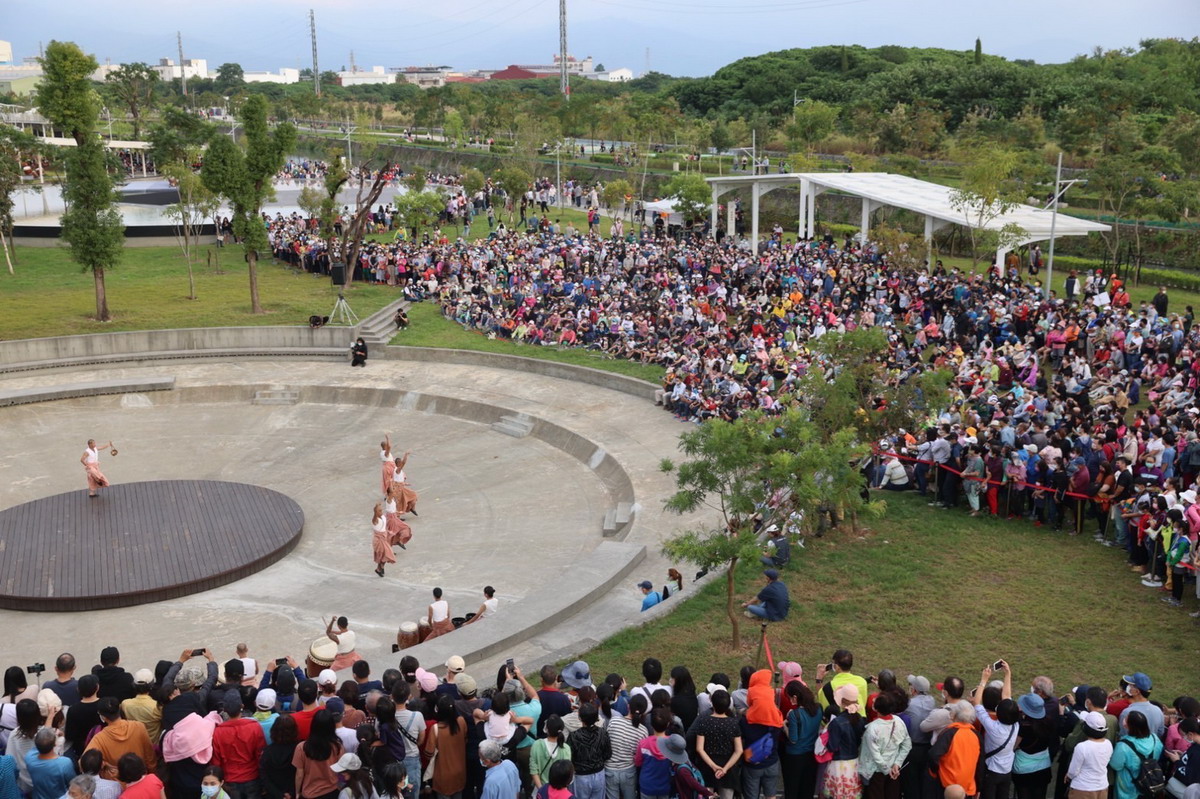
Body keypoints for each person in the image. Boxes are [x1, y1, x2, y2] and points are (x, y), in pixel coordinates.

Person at [84, 697, 157, 780]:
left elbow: (84, 762)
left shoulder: (100, 738)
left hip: (118, 783)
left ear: (103, 717)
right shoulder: (139, 726)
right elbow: (150, 755)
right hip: (140, 777)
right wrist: (152, 773)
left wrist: (104, 764)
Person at [211, 689, 266, 799]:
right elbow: (261, 756)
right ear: (242, 706)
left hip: (229, 780)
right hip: (252, 778)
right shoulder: (255, 727)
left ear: (225, 709)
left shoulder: (218, 732)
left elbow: (216, 762)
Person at [741, 670, 783, 799]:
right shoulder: (777, 718)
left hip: (752, 765)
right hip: (772, 763)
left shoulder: (745, 721)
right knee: (771, 796)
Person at [694, 689, 743, 799]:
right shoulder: (733, 723)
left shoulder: (704, 721)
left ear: (712, 702)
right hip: (728, 769)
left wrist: (713, 766)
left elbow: (699, 748)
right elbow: (738, 750)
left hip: (707, 768)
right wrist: (724, 769)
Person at [292, 709, 344, 799]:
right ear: (331, 727)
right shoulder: (337, 746)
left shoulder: (301, 747)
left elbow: (299, 774)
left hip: (310, 793)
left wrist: (297, 792)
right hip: (332, 790)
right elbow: (342, 770)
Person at [1110, 711, 1163, 799]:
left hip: (1128, 788)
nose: (1124, 720)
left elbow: (1116, 766)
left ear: (1130, 726)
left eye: (1126, 719)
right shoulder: (1155, 738)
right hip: (1149, 783)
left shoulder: (1123, 746)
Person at [424, 695, 467, 799]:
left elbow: (428, 754)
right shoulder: (461, 721)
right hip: (460, 773)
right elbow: (465, 740)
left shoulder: (436, 729)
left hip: (443, 777)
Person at [1064, 712, 1112, 799]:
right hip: (1102, 786)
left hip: (1082, 788)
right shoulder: (1108, 744)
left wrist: (1069, 775)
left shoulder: (1082, 747)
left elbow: (1074, 771)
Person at [567, 704, 610, 799]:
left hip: (581, 777)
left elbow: (569, 757)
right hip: (599, 774)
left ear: (580, 718)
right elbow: (608, 754)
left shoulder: (574, 736)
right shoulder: (603, 733)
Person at [25, 728, 75, 799]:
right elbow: (72, 783)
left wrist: (51, 738)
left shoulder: (29, 758)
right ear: (55, 744)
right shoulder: (64, 763)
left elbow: (40, 745)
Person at [260, 715, 299, 799]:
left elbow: (264, 776)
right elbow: (300, 773)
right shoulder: (298, 750)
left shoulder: (267, 752)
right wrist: (292, 792)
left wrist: (279, 795)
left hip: (273, 794)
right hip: (294, 793)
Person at [371, 504, 395, 578]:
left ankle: (380, 568)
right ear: (375, 512)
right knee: (385, 554)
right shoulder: (375, 520)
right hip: (378, 540)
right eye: (379, 511)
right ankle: (380, 567)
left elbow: (384, 525)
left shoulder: (383, 517)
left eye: (381, 510)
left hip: (384, 537)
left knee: (384, 555)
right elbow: (374, 519)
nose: (381, 511)